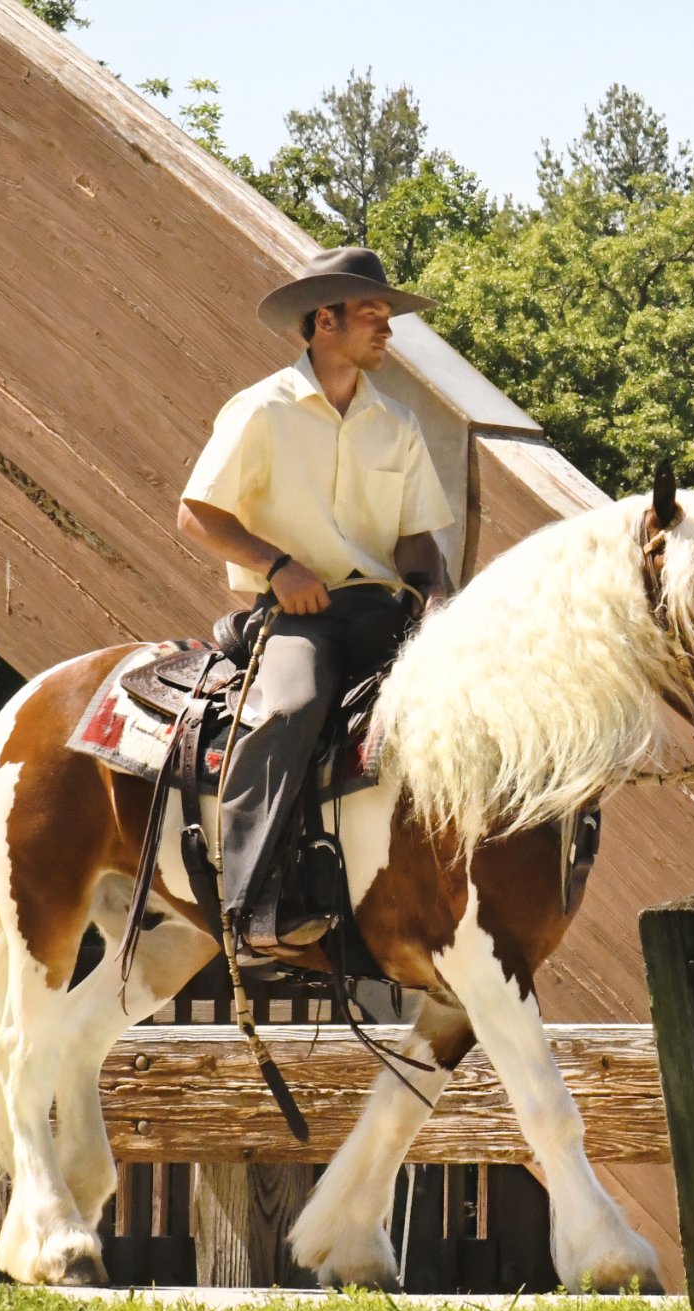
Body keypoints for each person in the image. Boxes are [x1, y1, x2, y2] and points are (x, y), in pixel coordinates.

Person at [176, 246, 455, 958]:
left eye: (387, 317)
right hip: (299, 618)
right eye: (372, 315)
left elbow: (417, 543)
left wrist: (438, 596)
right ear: (323, 320)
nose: (386, 330)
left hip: (387, 617)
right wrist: (277, 568)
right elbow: (196, 515)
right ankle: (249, 900)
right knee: (292, 705)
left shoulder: (398, 423)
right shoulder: (260, 411)